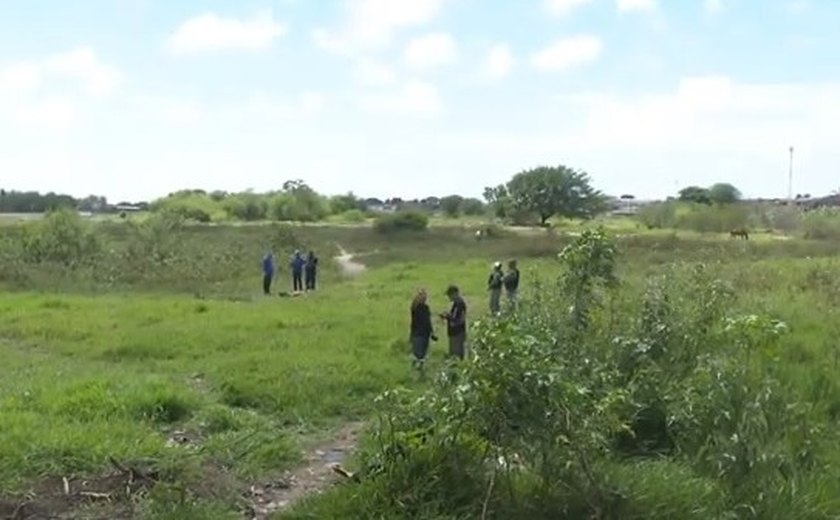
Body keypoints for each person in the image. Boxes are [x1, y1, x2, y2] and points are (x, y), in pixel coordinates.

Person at [409, 288, 437, 370]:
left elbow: (428, 321)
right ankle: (415, 369)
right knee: (418, 353)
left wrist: (432, 332)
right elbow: (414, 322)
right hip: (418, 333)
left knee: (422, 354)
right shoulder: (416, 308)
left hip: (424, 333)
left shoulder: (425, 308)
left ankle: (419, 369)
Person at [440, 285, 467, 360]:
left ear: (455, 293)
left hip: (457, 333)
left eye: (450, 295)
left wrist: (446, 316)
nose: (449, 297)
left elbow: (456, 319)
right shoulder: (456, 304)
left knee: (456, 355)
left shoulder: (459, 304)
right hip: (455, 332)